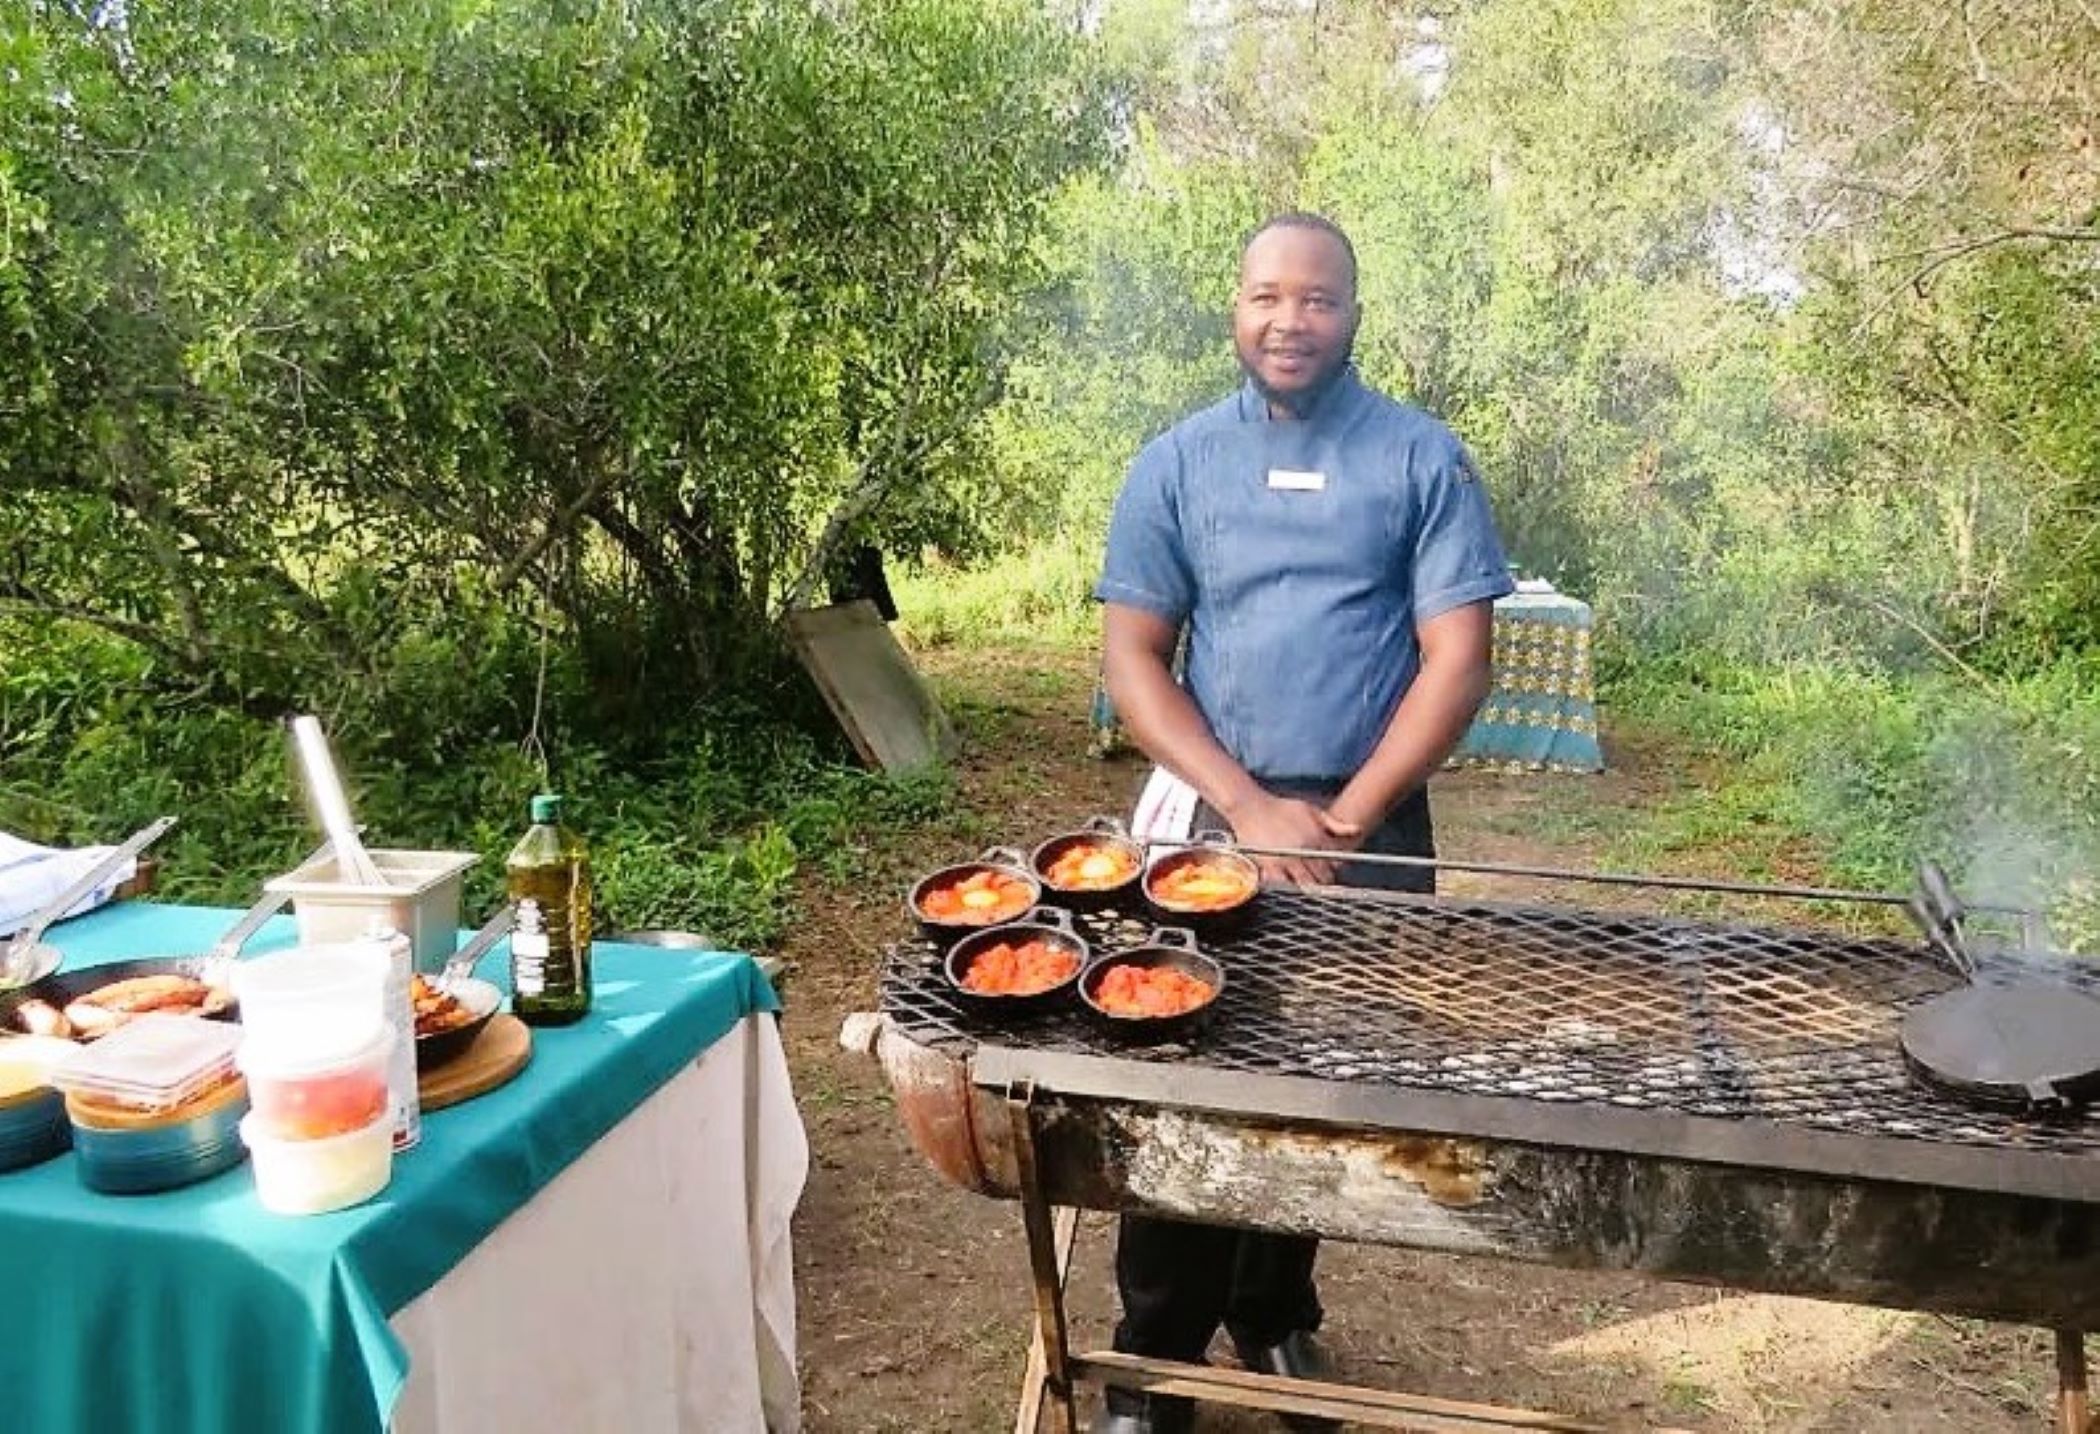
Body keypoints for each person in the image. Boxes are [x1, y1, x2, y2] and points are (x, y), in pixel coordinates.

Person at [1090, 212, 1514, 1434]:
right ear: (1235, 308)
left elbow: (1459, 659)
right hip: (1209, 821)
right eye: (1267, 296)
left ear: (1354, 315)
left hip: (1366, 826)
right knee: (1178, 1081)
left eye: (1317, 299)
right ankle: (1152, 1357)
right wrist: (1249, 807)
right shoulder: (1173, 463)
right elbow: (1134, 656)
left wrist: (1347, 817)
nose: (1290, 320)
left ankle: (1272, 1317)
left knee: (1329, 1083)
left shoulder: (1423, 460)